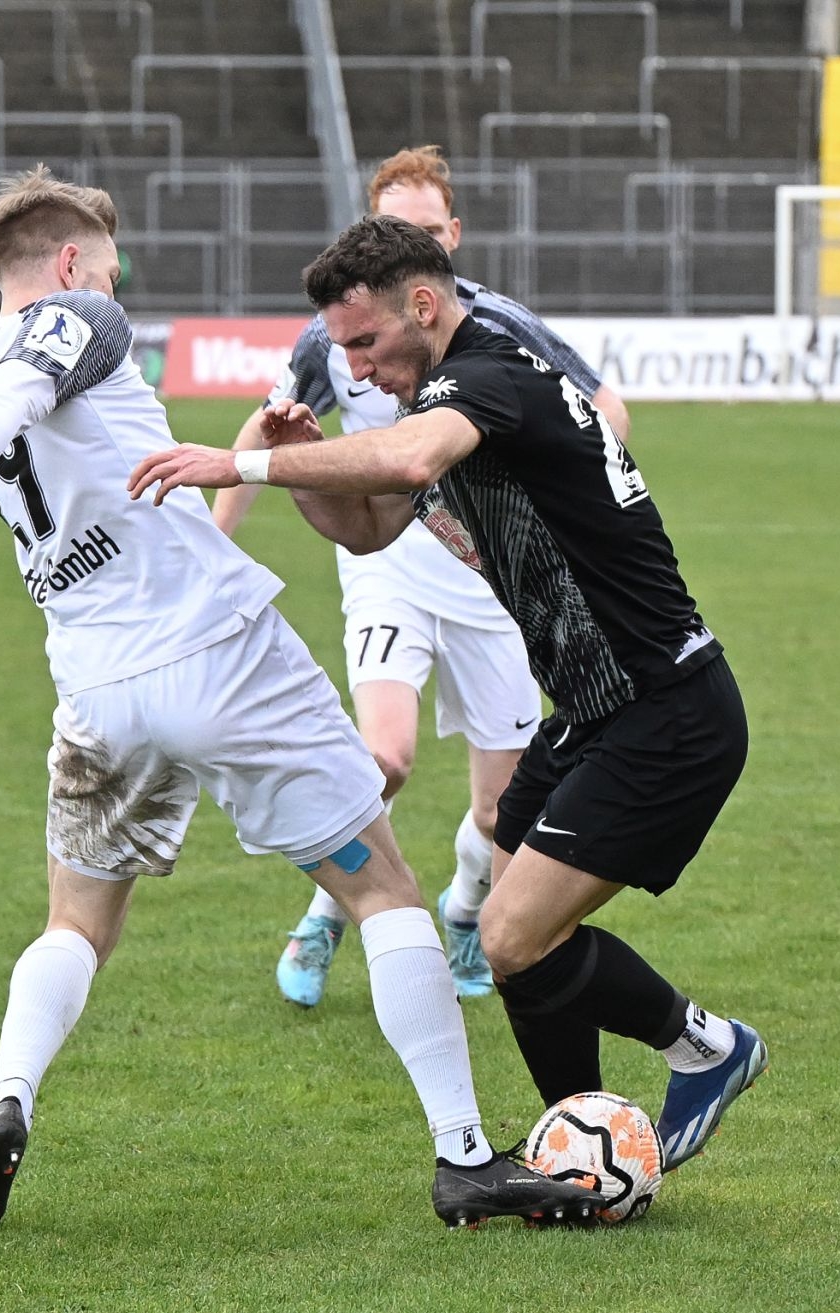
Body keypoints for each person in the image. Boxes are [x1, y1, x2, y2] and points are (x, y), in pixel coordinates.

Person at [0, 169, 601, 1230]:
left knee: (77, 921)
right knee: (383, 890)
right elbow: (28, 389)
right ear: (65, 266)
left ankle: (9, 1097)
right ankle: (464, 1155)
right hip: (221, 653)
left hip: (96, 685)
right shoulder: (78, 316)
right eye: (106, 262)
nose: (114, 286)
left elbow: (6, 396)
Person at [129, 215, 769, 1173]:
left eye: (363, 342)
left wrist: (243, 460)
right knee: (515, 911)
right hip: (596, 709)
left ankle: (705, 1046)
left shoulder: (490, 372)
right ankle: (585, 1149)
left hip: (664, 708)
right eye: (338, 348)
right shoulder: (439, 393)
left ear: (422, 305)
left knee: (507, 934)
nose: (350, 365)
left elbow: (408, 462)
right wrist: (304, 463)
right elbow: (368, 528)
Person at [213, 145, 629, 1010]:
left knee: (499, 810)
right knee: (383, 757)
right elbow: (267, 431)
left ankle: (467, 909)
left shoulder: (498, 331)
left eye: (426, 230)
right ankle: (330, 912)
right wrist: (215, 552)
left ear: (451, 239)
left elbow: (601, 404)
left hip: (491, 584)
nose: (412, 242)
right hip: (390, 559)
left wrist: (592, 498)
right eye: (395, 228)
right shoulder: (337, 335)